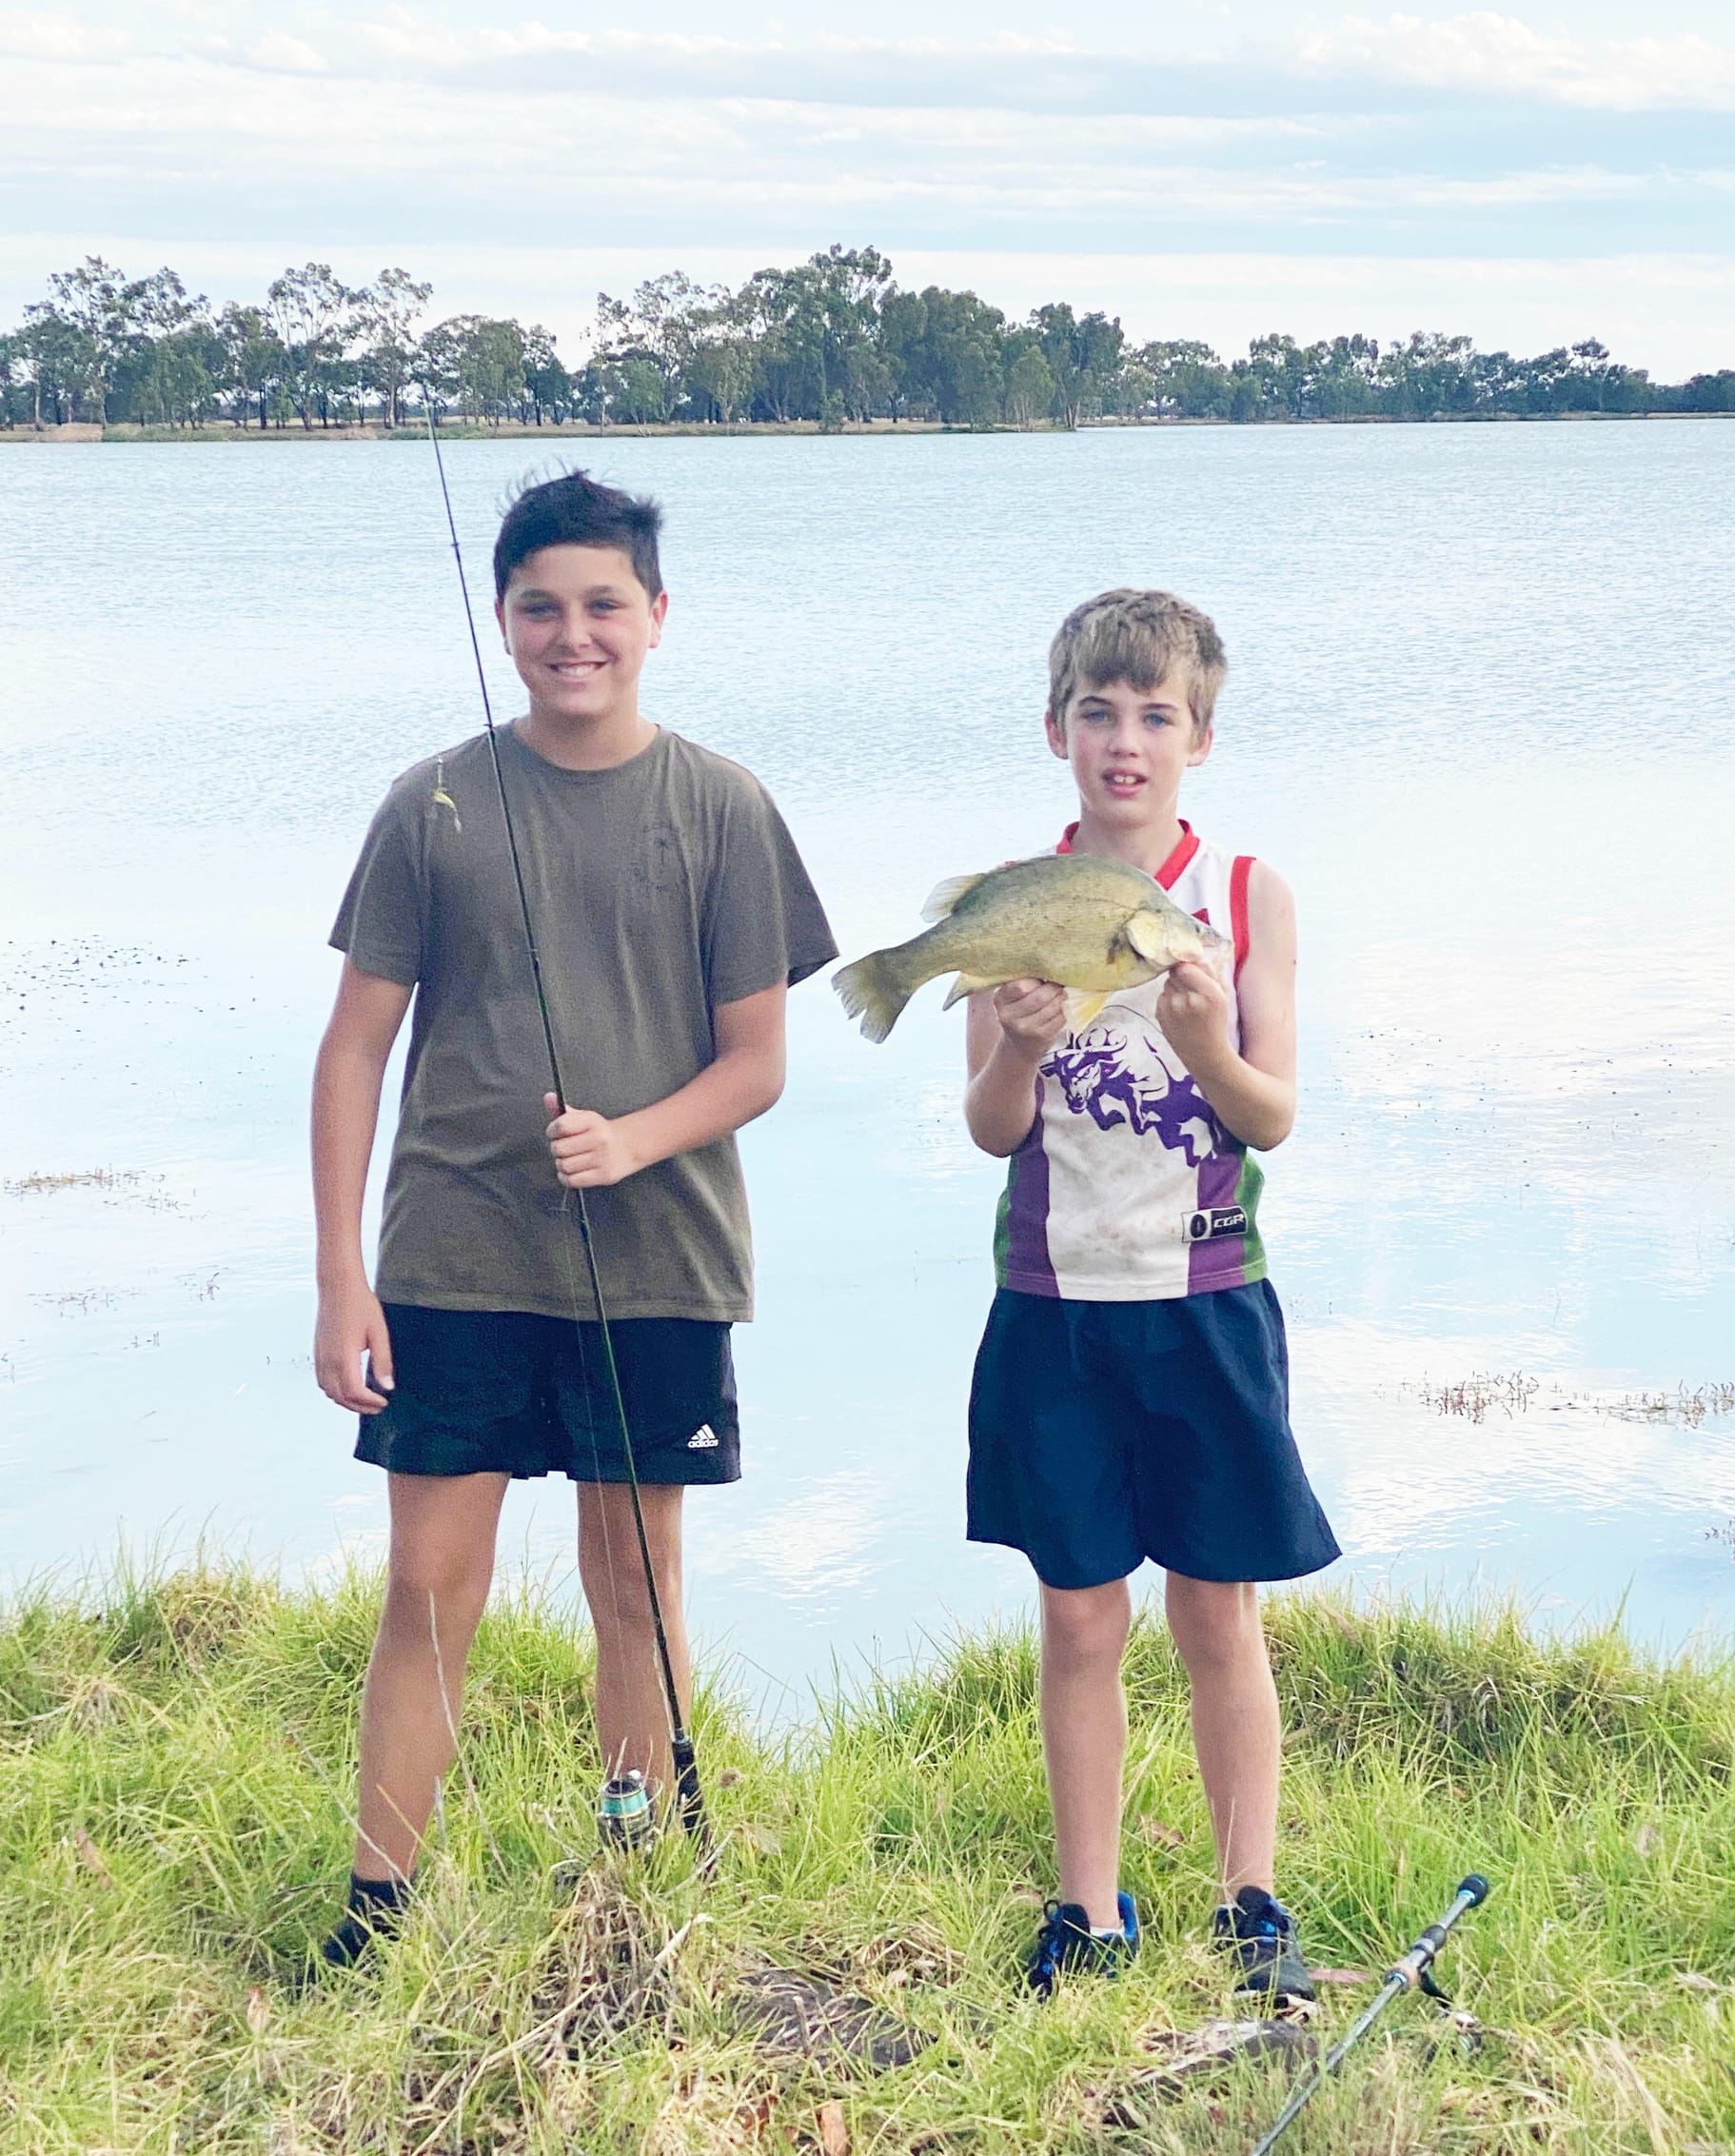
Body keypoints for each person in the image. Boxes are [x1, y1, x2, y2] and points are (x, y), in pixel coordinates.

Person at [309, 471, 834, 1967]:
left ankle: (633, 1866)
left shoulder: (725, 806)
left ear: (657, 617)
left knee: (636, 1583)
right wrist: (345, 1278)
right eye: (541, 606)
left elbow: (758, 1062)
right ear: (504, 618)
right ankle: (378, 1908)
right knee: (427, 1584)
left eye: (605, 604)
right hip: (456, 1257)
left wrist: (633, 1141)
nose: (572, 634)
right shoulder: (435, 802)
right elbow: (354, 1048)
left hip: (658, 1261)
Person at [962, 587, 1339, 2004]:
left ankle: (1253, 1899)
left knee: (1218, 1607)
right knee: (1077, 1616)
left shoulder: (1244, 898)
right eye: (1100, 714)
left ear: (1202, 737)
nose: (1126, 742)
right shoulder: (1022, 899)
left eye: (1157, 717)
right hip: (1054, 1302)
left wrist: (1200, 1044)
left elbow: (1271, 1113)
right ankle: (1089, 1909)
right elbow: (995, 1129)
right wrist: (1012, 1045)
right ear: (1057, 729)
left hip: (1206, 1298)